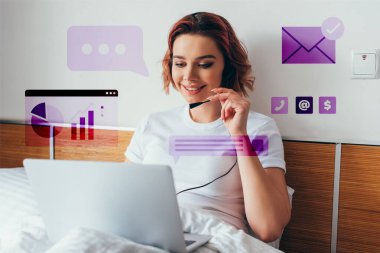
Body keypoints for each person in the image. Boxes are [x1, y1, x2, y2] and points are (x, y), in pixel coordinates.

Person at [125, 12, 291, 244]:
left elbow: (268, 228)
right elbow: (122, 201)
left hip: (213, 243)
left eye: (204, 64)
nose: (189, 76)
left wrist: (238, 134)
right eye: (180, 63)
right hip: (149, 238)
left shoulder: (258, 128)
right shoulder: (152, 124)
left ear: (227, 66)